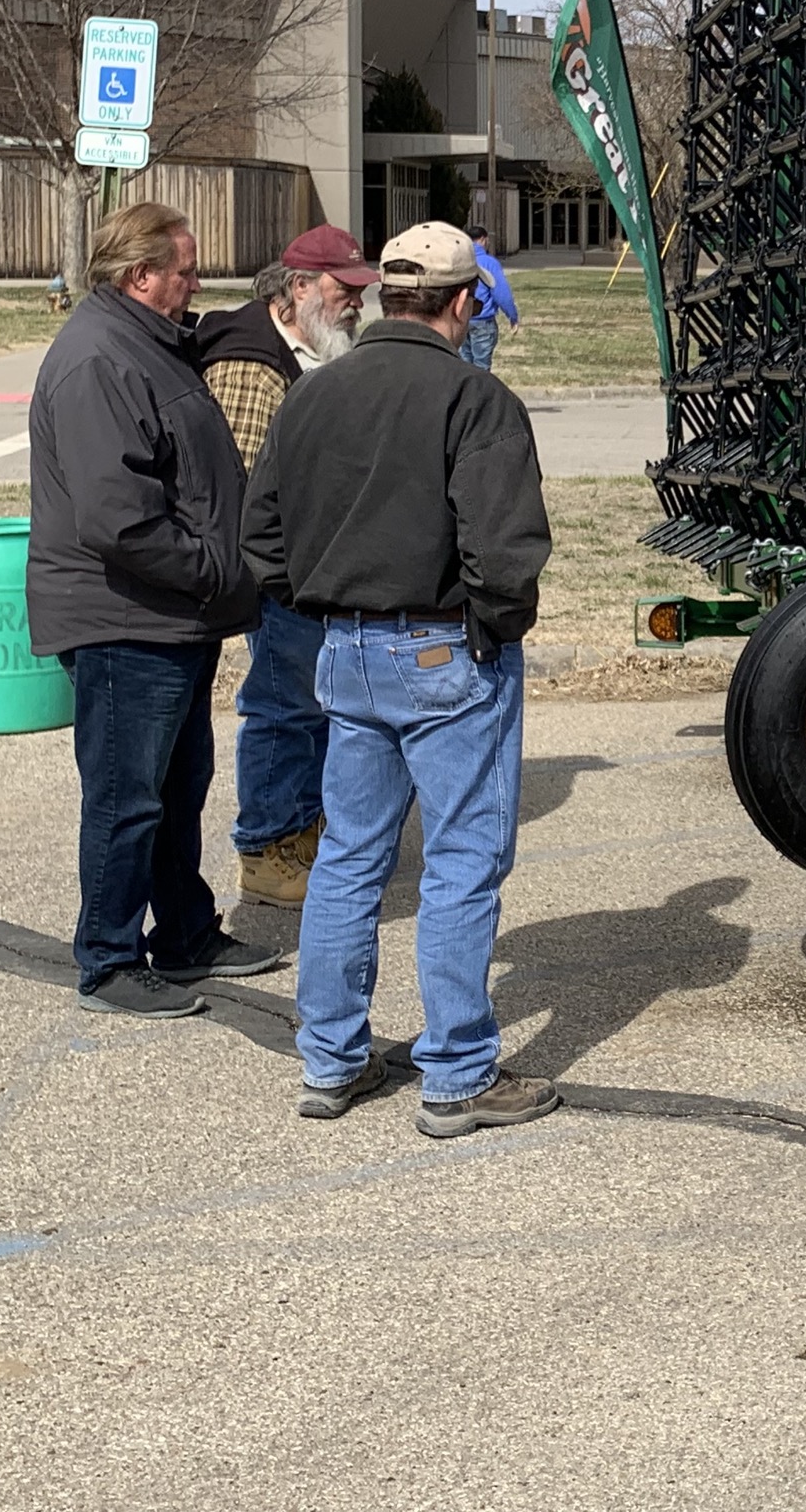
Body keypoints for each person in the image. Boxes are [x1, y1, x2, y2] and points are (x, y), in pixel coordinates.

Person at [243, 220, 557, 1135]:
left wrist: (324, 606)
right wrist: (493, 631)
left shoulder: (314, 393)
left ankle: (331, 1060)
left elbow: (261, 537)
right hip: (444, 646)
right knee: (463, 860)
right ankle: (457, 1074)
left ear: (386, 296)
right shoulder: (475, 399)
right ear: (465, 302)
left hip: (346, 647)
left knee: (348, 856)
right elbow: (506, 551)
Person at [28, 201, 275, 1018]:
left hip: (173, 614)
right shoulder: (99, 359)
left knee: (178, 786)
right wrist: (215, 570)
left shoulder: (149, 343)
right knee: (127, 795)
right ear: (142, 277)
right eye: (186, 270)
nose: (197, 283)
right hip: (126, 618)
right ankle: (108, 957)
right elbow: (118, 517)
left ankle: (184, 935)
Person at [195, 224, 379, 905]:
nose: (356, 303)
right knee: (282, 706)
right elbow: (243, 488)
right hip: (278, 576)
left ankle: (301, 830)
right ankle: (265, 848)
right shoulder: (251, 361)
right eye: (344, 290)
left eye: (360, 291)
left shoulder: (313, 349)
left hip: (315, 567)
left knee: (312, 706)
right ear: (297, 289)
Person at [460, 223, 519, 370]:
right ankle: (479, 392)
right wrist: (512, 316)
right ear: (482, 240)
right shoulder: (490, 263)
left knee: (464, 365)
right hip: (483, 320)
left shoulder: (460, 261)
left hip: (461, 319)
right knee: (481, 367)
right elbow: (501, 293)